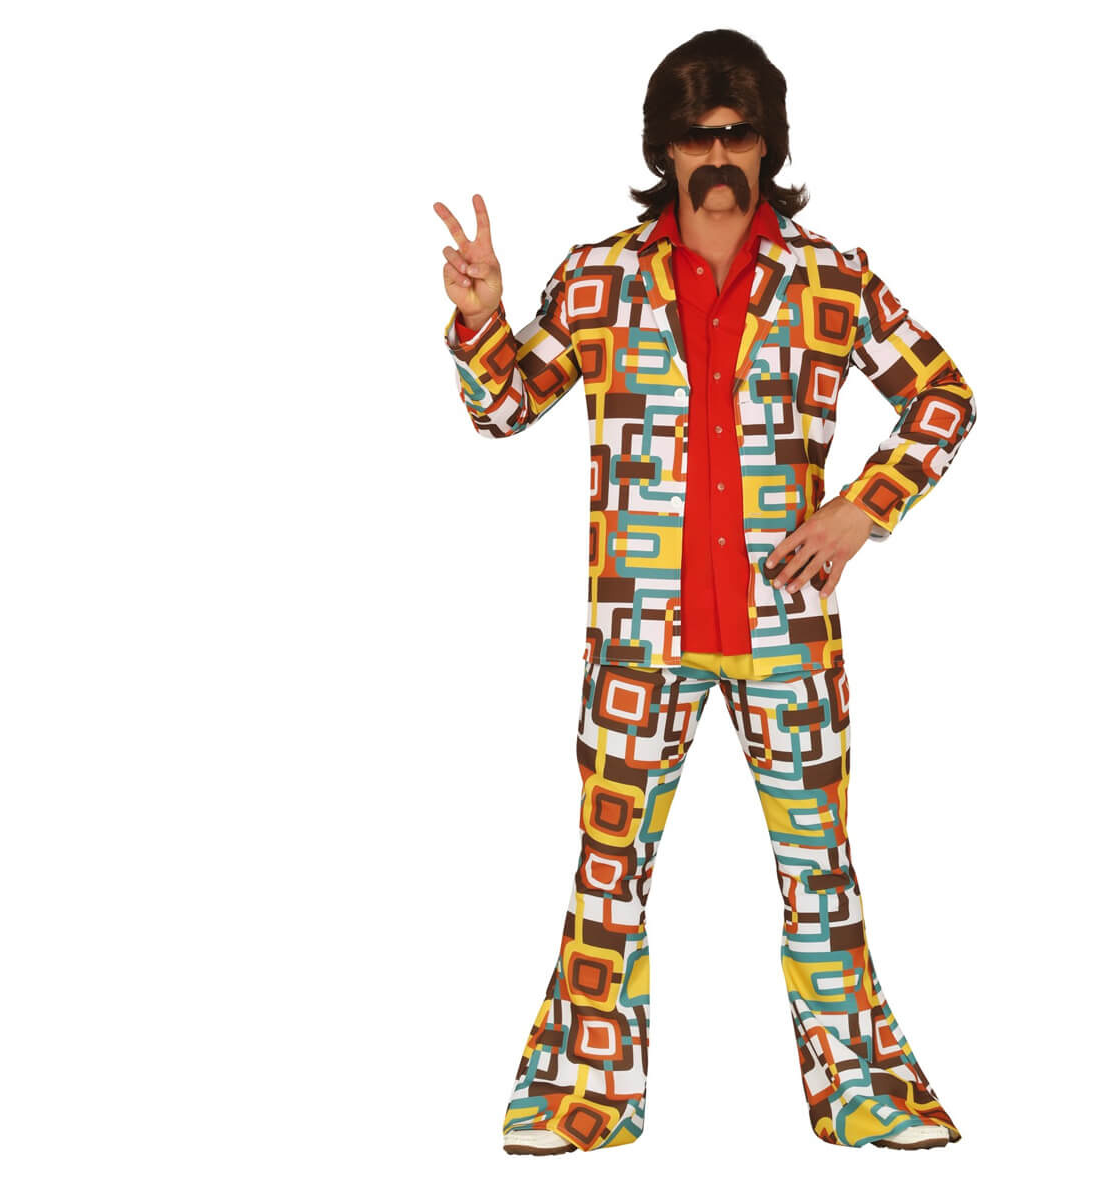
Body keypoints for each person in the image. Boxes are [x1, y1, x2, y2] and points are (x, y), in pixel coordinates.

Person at [435, 29, 975, 1154]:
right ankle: (580, 1097)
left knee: (819, 874)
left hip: (787, 632)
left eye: (737, 134)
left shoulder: (831, 278)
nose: (718, 155)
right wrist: (483, 318)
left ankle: (866, 1094)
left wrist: (862, 508)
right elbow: (504, 408)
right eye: (695, 137)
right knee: (608, 872)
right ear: (664, 150)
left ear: (768, 144)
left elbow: (943, 397)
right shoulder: (598, 279)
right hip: (640, 637)